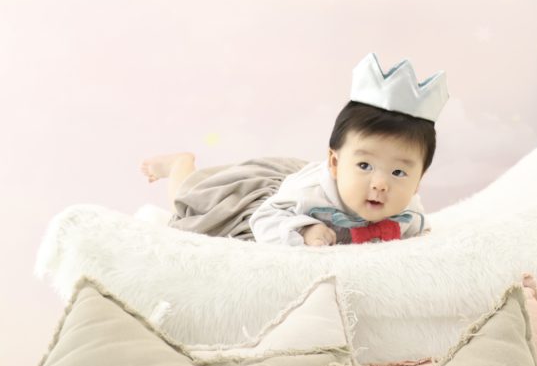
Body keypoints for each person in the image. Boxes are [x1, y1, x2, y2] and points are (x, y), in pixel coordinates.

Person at [140, 52, 448, 246]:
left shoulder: (408, 208)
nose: (380, 184)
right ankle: (180, 165)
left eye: (399, 172)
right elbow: (263, 219)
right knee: (191, 204)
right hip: (269, 197)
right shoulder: (307, 195)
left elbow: (417, 229)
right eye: (364, 166)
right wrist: (304, 231)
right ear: (335, 163)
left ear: (418, 181)